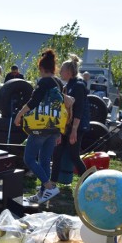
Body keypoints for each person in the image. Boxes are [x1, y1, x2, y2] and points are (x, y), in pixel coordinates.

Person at [13, 49, 62, 204]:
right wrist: (59, 131)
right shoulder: (58, 83)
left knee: (29, 158)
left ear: (41, 68)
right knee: (45, 160)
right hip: (54, 127)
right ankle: (42, 194)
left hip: (41, 126)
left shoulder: (43, 82)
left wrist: (19, 114)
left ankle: (49, 186)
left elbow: (34, 102)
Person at [49, 54, 88, 187]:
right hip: (67, 126)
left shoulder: (78, 86)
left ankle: (88, 183)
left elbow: (79, 110)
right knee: (57, 153)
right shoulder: (68, 85)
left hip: (76, 127)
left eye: (62, 70)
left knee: (74, 156)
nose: (60, 71)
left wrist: (74, 131)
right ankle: (52, 183)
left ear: (70, 72)